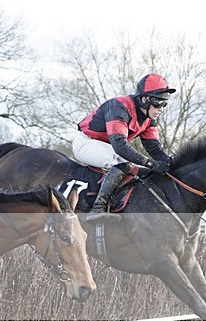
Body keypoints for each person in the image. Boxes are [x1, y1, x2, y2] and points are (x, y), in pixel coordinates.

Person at [72, 73, 175, 222]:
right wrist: (151, 164)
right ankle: (97, 208)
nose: (161, 109)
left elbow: (154, 148)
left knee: (137, 167)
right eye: (159, 103)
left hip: (107, 148)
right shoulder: (119, 107)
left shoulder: (149, 118)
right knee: (123, 162)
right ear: (145, 99)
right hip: (86, 143)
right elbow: (120, 146)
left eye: (165, 104)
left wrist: (171, 164)